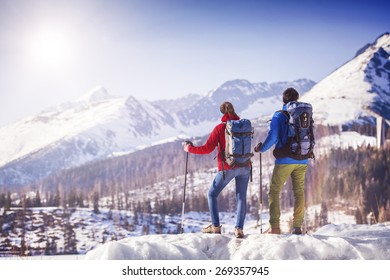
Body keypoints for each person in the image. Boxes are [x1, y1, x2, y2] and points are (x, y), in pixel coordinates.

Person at [183, 102, 251, 238]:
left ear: (222, 113)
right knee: (241, 197)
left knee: (212, 194)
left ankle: (215, 227)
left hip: (228, 168)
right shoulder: (244, 126)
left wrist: (189, 149)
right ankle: (239, 229)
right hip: (245, 166)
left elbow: (207, 148)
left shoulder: (220, 128)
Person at [254, 88, 308, 235]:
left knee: (274, 191)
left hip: (285, 159)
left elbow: (273, 137)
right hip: (303, 158)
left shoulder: (279, 115)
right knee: (299, 192)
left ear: (283, 100)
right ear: (297, 99)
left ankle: (275, 227)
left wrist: (261, 149)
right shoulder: (304, 114)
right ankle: (297, 226)